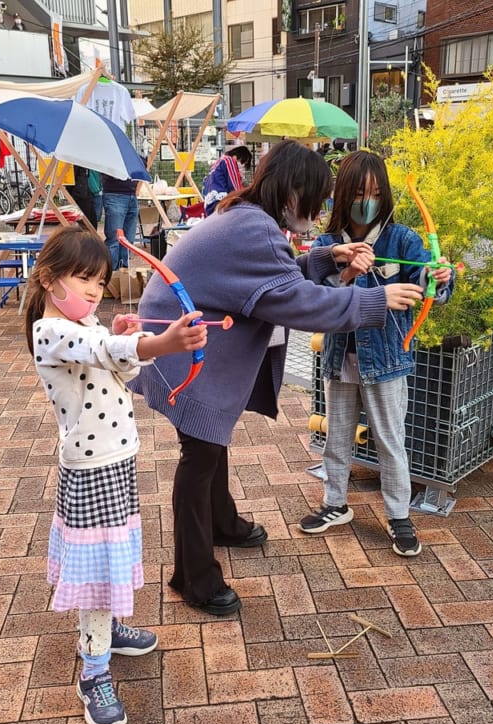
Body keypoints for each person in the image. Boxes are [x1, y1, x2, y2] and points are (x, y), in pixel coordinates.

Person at [128, 140, 424, 616]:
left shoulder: (250, 217)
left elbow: (272, 276)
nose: (320, 209)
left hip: (180, 333)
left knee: (210, 438)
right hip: (178, 343)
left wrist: (329, 260)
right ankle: (193, 576)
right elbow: (301, 303)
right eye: (318, 198)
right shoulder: (256, 230)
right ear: (292, 194)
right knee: (199, 453)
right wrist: (376, 300)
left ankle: (221, 522)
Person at [23, 228, 207, 724]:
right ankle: (93, 671)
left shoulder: (85, 331)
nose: (92, 291)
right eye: (82, 279)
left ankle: (107, 630)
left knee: (110, 560)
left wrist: (127, 339)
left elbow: (113, 366)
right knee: (96, 573)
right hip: (90, 471)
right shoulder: (50, 331)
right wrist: (162, 341)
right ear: (47, 278)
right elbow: (100, 347)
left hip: (116, 462)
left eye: (100, 283)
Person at [299, 150, 454, 556]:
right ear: (343, 194)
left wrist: (438, 276)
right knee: (336, 436)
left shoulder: (401, 238)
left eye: (373, 192)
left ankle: (399, 515)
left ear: (383, 194)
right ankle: (335, 503)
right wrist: (347, 272)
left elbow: (428, 282)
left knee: (390, 440)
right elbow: (316, 301)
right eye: (357, 192)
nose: (364, 200)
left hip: (386, 360)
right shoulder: (328, 243)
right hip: (339, 356)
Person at [102, 172, 139, 270]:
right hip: (115, 193)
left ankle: (123, 273)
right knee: (114, 239)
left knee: (128, 240)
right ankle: (111, 275)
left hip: (132, 194)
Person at [201, 145, 252, 217]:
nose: (241, 167)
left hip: (210, 204)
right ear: (238, 157)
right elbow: (235, 187)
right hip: (221, 203)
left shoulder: (219, 162)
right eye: (242, 163)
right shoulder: (229, 161)